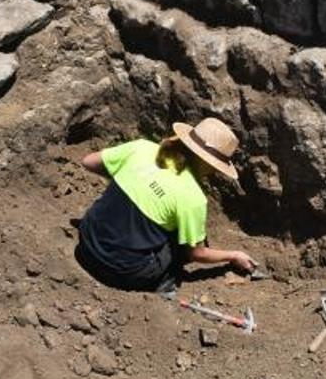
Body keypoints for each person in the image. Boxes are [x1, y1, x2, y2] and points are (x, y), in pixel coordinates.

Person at [74, 117, 257, 293]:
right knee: (180, 245)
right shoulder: (193, 198)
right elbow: (198, 254)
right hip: (121, 273)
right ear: (210, 163)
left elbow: (88, 162)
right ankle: (163, 282)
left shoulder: (141, 148)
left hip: (85, 245)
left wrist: (132, 181)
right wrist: (234, 255)